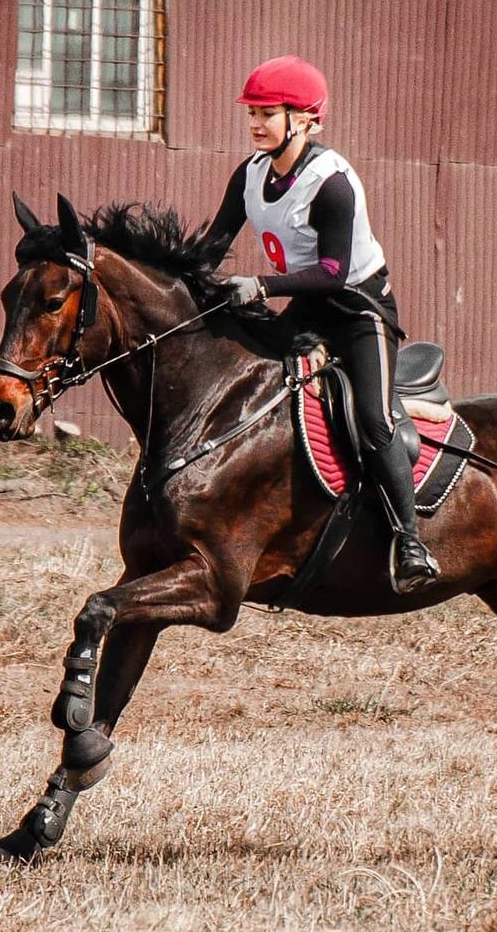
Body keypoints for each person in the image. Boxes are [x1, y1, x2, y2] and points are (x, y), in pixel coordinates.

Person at [201, 54, 439, 595]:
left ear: (304, 119)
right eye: (253, 114)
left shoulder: (331, 184)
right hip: (306, 307)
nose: (256, 124)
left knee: (375, 419)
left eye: (267, 113)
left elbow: (332, 272)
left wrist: (260, 287)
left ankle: (410, 542)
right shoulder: (251, 173)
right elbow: (214, 245)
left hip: (359, 311)